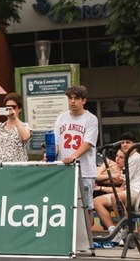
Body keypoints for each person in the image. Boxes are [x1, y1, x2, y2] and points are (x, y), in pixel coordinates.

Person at [52, 85, 99, 227]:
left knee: (86, 206)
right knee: (65, 204)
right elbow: (56, 141)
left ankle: (88, 239)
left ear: (83, 100)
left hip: (84, 171)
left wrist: (73, 156)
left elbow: (88, 143)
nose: (72, 101)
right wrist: (50, 154)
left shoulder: (91, 119)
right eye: (70, 98)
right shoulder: (61, 118)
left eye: (76, 98)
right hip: (64, 170)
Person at [94, 134, 140, 242]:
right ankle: (114, 232)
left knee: (116, 198)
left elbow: (120, 179)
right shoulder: (129, 159)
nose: (124, 144)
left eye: (128, 142)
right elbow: (121, 185)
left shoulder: (136, 158)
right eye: (123, 142)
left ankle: (126, 232)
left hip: (139, 192)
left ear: (135, 145)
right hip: (127, 191)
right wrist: (102, 186)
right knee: (97, 201)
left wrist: (102, 181)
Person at [0, 93, 32, 163]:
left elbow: (24, 137)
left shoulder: (25, 126)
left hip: (18, 169)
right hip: (0, 168)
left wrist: (15, 117)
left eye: (13, 107)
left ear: (20, 109)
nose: (9, 109)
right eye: (7, 107)